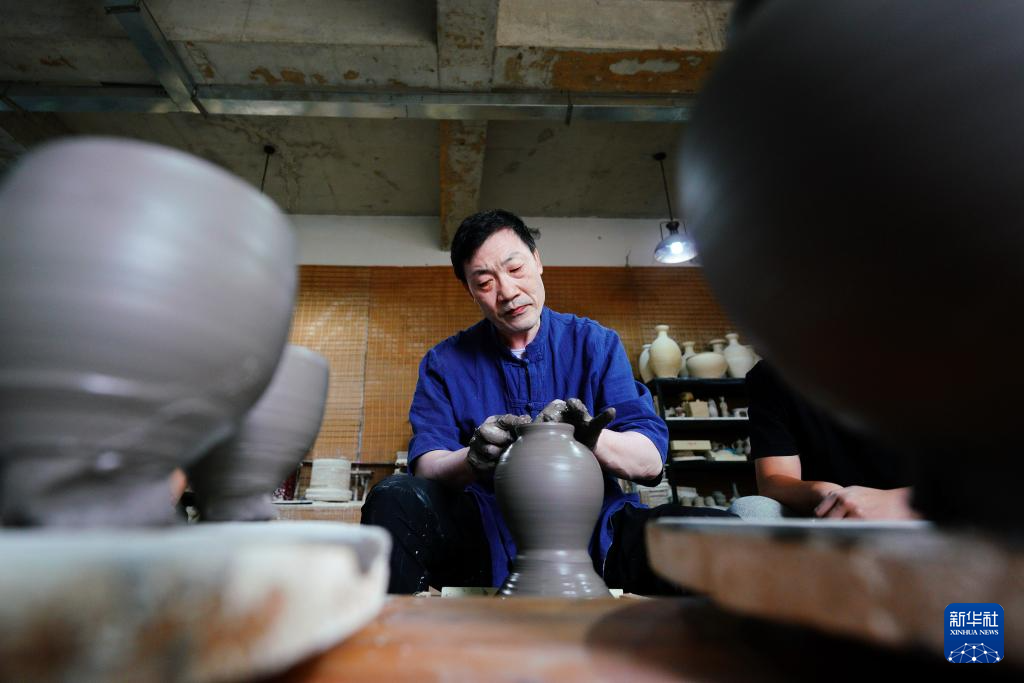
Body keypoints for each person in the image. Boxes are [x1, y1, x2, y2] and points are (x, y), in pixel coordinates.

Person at [362, 209, 730, 594]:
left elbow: (650, 461)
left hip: (597, 532)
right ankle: (394, 632)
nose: (507, 292)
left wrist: (592, 439)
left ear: (537, 261)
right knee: (393, 499)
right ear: (470, 290)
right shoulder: (444, 362)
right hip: (483, 530)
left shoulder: (596, 344)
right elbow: (426, 466)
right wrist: (473, 457)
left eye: (515, 269)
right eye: (485, 282)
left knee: (720, 534)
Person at [743, 360, 918, 519]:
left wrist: (895, 502)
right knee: (751, 509)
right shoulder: (772, 373)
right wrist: (828, 493)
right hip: (824, 515)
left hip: (917, 511)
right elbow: (774, 481)